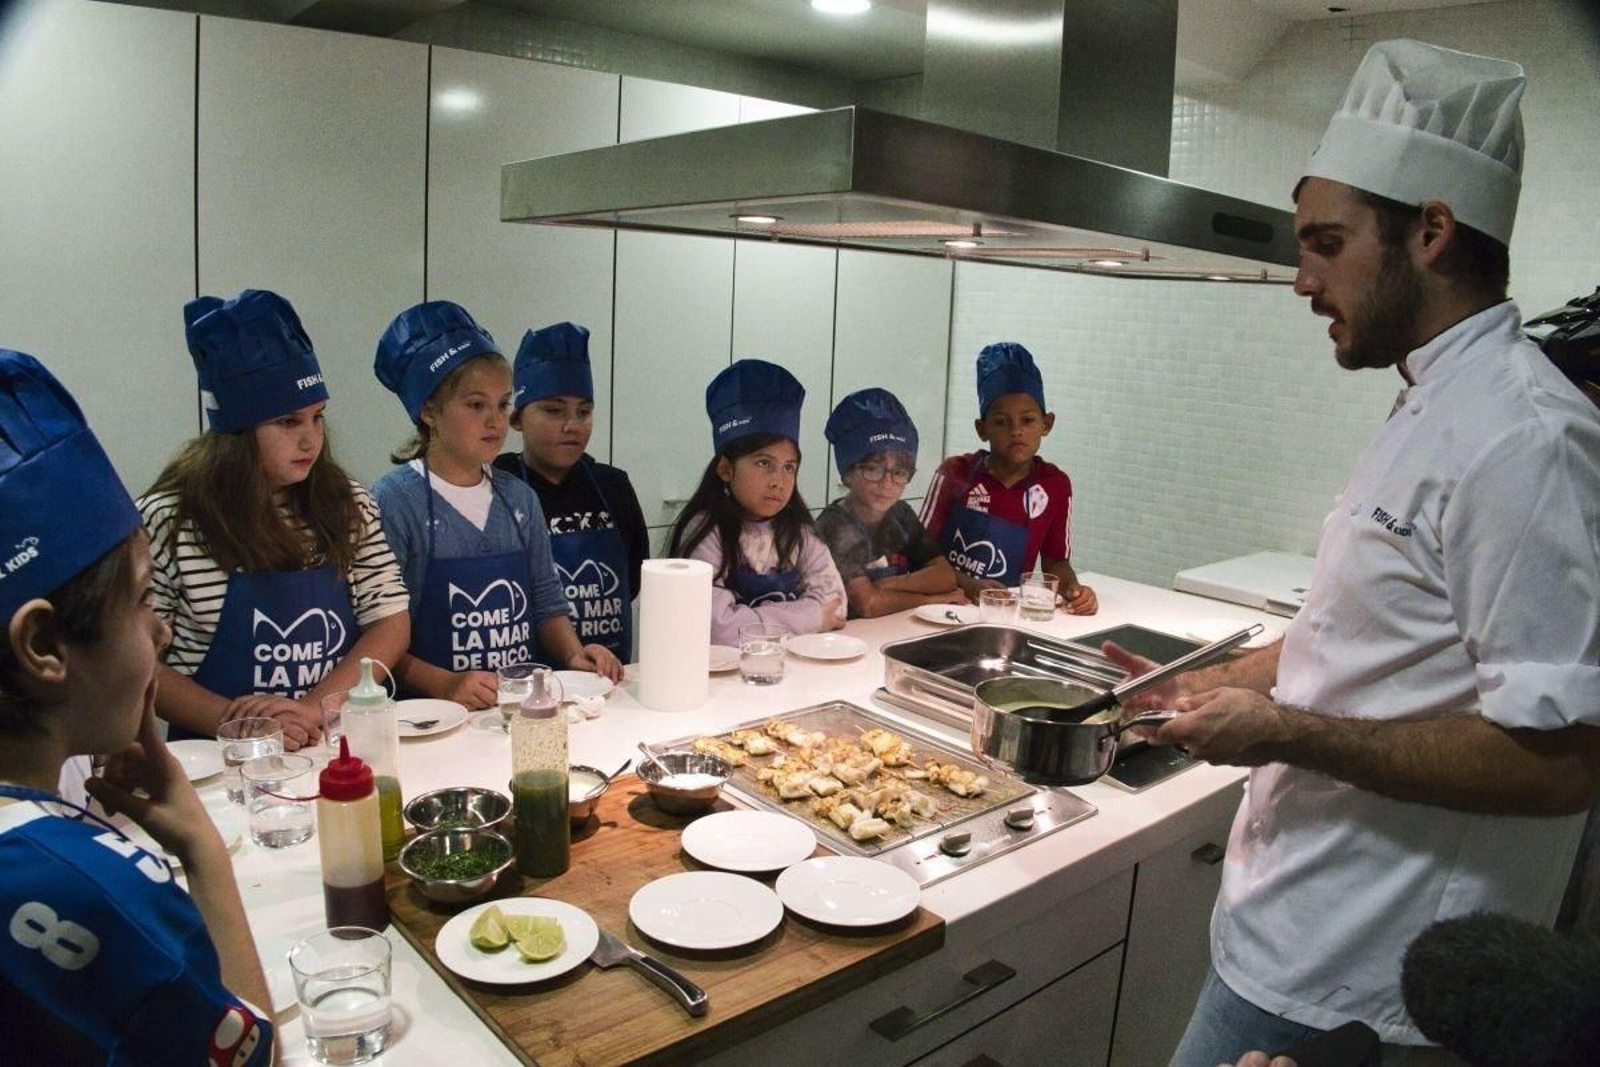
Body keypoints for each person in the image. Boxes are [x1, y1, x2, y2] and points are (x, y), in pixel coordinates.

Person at [1100, 40, 1600, 1065]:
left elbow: (1560, 762)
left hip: (1369, 981)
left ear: (1430, 230)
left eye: (1325, 244)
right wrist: (1199, 683)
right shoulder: (1433, 398)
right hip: (1289, 926)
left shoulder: (1526, 440)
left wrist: (1286, 732)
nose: (1301, 279)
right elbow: (1364, 636)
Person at [0, 349, 274, 1065]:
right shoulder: (83, 887)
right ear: (43, 644)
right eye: (146, 598)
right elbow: (258, 1056)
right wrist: (201, 846)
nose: (164, 630)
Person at [141, 289, 409, 748]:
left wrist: (313, 710)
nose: (311, 440)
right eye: (288, 423)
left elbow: (390, 621)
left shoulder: (348, 504)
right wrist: (236, 721)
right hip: (218, 755)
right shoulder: (171, 520)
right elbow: (140, 662)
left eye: (317, 418)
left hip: (327, 741)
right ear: (237, 433)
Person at [372, 301, 622, 710]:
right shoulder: (396, 501)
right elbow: (378, 634)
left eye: (504, 404)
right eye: (476, 405)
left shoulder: (518, 498)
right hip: (430, 719)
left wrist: (574, 655)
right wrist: (446, 684)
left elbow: (546, 600)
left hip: (517, 710)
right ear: (429, 411)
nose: (495, 421)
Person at [493, 322, 647, 664]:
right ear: (517, 417)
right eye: (553, 410)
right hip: (526, 683)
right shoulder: (498, 486)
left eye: (584, 411)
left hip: (608, 677)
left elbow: (633, 579)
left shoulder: (613, 485)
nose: (572, 425)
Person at [667, 358, 845, 646]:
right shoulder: (706, 532)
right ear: (726, 469)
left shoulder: (798, 530)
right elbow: (716, 630)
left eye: (789, 467)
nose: (779, 481)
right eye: (764, 463)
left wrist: (751, 620)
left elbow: (836, 604)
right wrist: (810, 617)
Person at [919, 342, 1097, 614]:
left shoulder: (1055, 485)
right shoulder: (955, 473)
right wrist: (969, 584)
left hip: (1005, 615)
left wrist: (1075, 590)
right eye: (1001, 422)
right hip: (942, 608)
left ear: (1046, 424)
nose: (1016, 431)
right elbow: (918, 553)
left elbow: (1055, 562)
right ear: (982, 429)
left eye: (1027, 421)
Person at [815, 388, 965, 618]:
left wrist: (889, 585)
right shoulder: (834, 524)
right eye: (873, 469)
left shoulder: (900, 514)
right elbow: (868, 604)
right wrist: (936, 601)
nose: (887, 483)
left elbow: (945, 576)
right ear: (847, 474)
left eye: (899, 471)